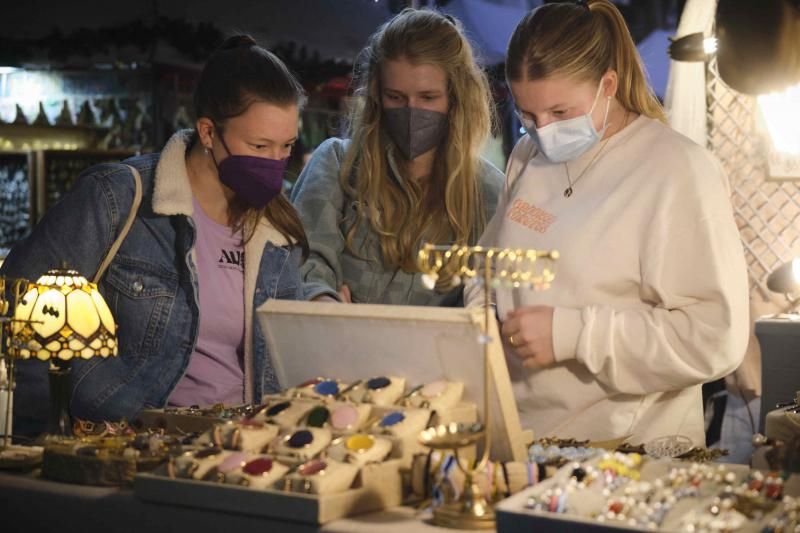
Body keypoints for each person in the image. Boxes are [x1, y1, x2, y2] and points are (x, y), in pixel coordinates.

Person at [466, 0, 749, 446]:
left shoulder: (676, 170)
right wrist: (479, 320)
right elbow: (486, 267)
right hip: (520, 437)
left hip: (627, 454)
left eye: (560, 113)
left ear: (608, 85)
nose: (543, 130)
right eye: (528, 116)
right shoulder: (526, 157)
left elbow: (713, 338)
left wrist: (573, 334)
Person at [1, 35, 309, 436]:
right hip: (131, 448)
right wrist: (55, 433)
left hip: (241, 449)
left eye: (285, 147)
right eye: (259, 145)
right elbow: (17, 314)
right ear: (209, 133)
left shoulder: (277, 227)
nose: (274, 163)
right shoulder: (118, 198)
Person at [290, 8, 504, 305]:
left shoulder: (490, 192)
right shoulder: (337, 165)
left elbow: (491, 299)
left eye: (428, 97)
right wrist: (326, 307)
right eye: (396, 97)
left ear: (457, 97)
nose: (411, 111)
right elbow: (303, 258)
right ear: (377, 94)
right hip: (336, 347)